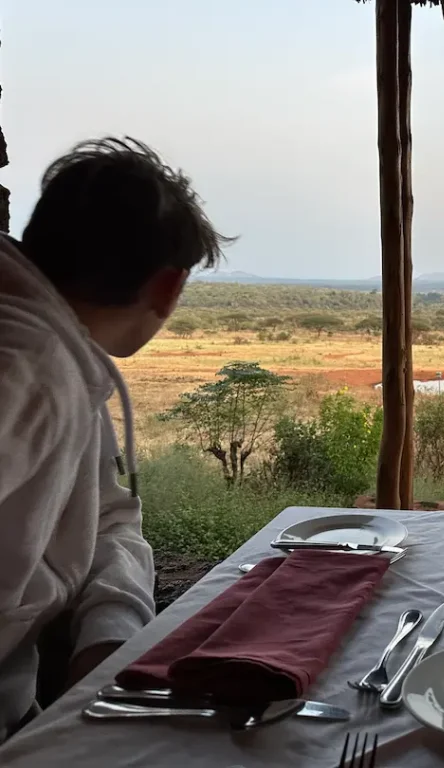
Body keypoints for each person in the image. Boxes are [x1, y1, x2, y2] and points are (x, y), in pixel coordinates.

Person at [0, 137, 232, 741]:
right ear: (167, 288)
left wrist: (108, 639)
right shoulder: (26, 367)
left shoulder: (66, 361)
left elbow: (105, 516)